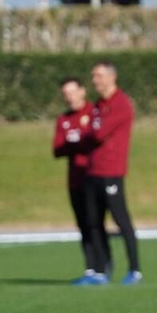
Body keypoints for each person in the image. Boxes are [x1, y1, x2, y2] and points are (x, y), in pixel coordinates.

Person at [87, 61, 142, 286]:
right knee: (94, 222)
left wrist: (88, 132)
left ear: (111, 77)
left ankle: (135, 270)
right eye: (93, 76)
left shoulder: (120, 104)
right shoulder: (98, 104)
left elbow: (97, 133)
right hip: (93, 171)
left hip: (112, 172)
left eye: (98, 76)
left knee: (121, 220)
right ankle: (103, 269)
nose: (94, 81)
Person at [53, 76, 107, 285]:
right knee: (83, 224)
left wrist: (76, 142)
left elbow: (97, 140)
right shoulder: (63, 119)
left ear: (83, 91)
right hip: (74, 180)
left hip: (94, 177)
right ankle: (91, 268)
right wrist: (78, 143)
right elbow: (57, 149)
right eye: (66, 94)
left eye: (72, 92)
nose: (69, 97)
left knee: (96, 223)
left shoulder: (95, 112)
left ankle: (104, 264)